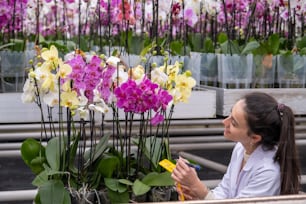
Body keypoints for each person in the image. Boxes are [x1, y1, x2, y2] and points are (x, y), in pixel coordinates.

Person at [171, 92, 301, 200]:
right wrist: (196, 196)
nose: (224, 121)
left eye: (233, 122)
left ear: (255, 137)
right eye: (230, 114)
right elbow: (225, 191)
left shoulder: (268, 172)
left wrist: (197, 187)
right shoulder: (241, 148)